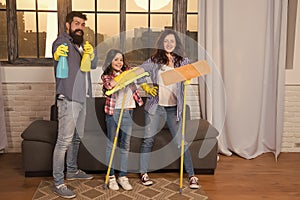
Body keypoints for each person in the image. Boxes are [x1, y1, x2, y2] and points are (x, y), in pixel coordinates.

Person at [115, 29, 200, 189]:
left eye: (172, 41)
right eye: (166, 41)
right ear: (162, 43)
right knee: (148, 140)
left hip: (174, 109)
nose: (169, 44)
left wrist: (188, 78)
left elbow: (193, 72)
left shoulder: (183, 61)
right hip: (156, 107)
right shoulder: (154, 61)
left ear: (176, 44)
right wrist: (145, 85)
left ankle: (191, 175)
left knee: (180, 142)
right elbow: (137, 72)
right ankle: (143, 172)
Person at [52, 11, 97, 198]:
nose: (80, 27)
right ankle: (58, 182)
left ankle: (72, 170)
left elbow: (92, 67)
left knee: (77, 138)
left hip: (82, 98)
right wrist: (56, 55)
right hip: (68, 99)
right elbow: (57, 57)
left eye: (82, 24)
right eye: (76, 23)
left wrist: (90, 54)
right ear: (68, 25)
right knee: (63, 142)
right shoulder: (62, 42)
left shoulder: (82, 45)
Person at [101, 49, 144, 191]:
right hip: (114, 113)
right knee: (111, 145)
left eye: (121, 59)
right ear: (110, 62)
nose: (119, 62)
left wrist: (130, 75)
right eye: (115, 60)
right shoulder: (106, 76)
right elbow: (110, 85)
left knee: (125, 146)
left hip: (128, 112)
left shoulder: (128, 72)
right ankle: (112, 176)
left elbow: (140, 73)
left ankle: (123, 176)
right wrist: (124, 77)